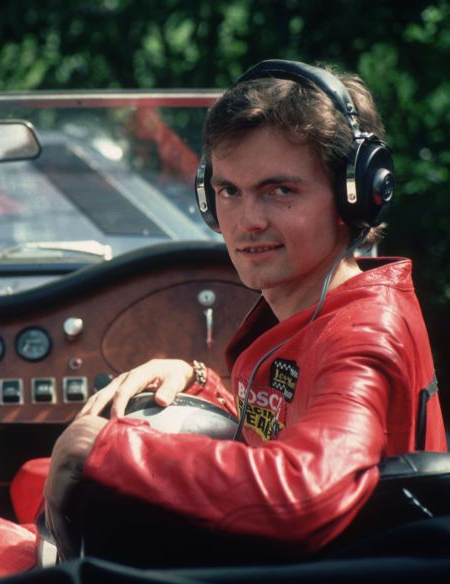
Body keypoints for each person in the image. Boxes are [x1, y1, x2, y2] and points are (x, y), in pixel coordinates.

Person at [43, 59, 447, 561]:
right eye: (229, 191)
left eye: (280, 191)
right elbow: (282, 427)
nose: (247, 221)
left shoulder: (363, 334)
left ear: (356, 198)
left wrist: (105, 448)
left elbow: (307, 489)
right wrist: (197, 380)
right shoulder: (315, 313)